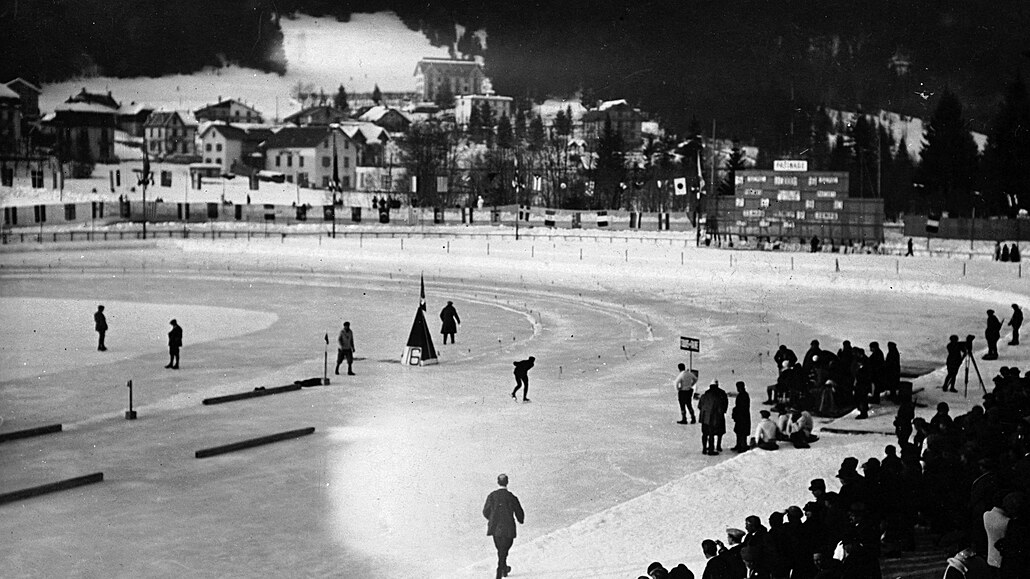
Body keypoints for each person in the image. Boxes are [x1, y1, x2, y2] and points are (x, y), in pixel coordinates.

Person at [483, 473, 524, 579]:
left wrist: (492, 519)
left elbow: (485, 511)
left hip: (496, 528)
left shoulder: (492, 496)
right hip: (508, 528)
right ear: (507, 482)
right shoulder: (511, 497)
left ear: (498, 482)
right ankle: (500, 570)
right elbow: (519, 513)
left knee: (501, 550)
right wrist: (520, 519)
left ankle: (503, 568)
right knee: (504, 550)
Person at [698, 380, 728, 455]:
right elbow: (722, 407)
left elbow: (699, 406)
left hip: (704, 418)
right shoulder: (719, 395)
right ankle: (713, 449)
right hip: (714, 418)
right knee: (714, 433)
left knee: (705, 434)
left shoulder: (705, 395)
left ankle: (704, 449)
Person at [731, 381, 751, 452]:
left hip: (742, 416)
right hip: (741, 416)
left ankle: (743, 445)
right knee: (739, 431)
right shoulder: (743, 394)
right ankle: (739, 444)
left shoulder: (743, 395)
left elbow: (741, 407)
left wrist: (735, 411)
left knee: (742, 432)